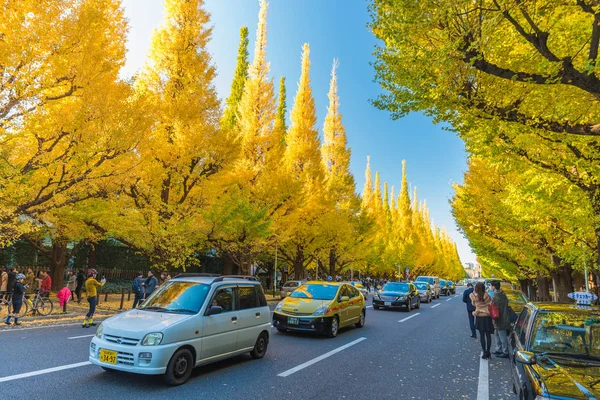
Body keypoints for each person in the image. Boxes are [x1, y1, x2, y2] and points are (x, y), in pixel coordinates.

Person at [470, 282, 493, 359]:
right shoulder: (486, 295)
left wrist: (474, 293)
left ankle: (484, 352)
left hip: (479, 316)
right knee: (488, 335)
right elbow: (490, 301)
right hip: (487, 316)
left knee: (482, 335)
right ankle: (488, 352)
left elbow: (473, 304)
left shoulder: (474, 297)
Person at [491, 281, 511, 358]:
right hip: (503, 316)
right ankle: (499, 349)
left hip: (500, 318)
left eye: (491, 286)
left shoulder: (497, 296)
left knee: (502, 335)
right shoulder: (502, 293)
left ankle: (505, 351)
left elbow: (495, 308)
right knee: (496, 333)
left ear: (493, 287)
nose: (490, 287)